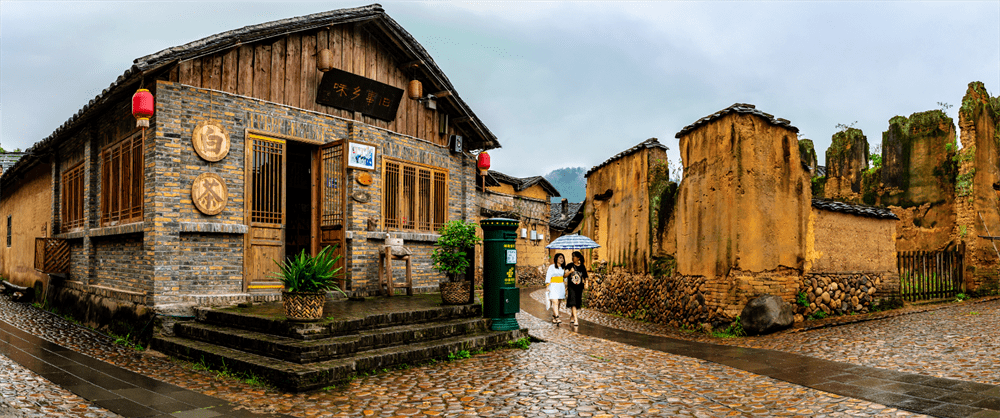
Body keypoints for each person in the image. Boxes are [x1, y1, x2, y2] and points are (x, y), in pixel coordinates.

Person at [564, 251, 588, 326]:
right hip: (571, 286)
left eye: (574, 256)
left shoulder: (582, 267)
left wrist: (586, 283)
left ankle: (572, 315)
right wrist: (570, 271)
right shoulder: (569, 265)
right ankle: (576, 319)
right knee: (573, 301)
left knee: (576, 302)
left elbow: (586, 276)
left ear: (578, 258)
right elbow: (564, 275)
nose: (572, 258)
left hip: (579, 287)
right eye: (572, 256)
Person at [545, 253, 567, 324]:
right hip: (553, 286)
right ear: (556, 258)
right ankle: (557, 317)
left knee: (559, 302)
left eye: (562, 258)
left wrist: (566, 287)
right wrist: (547, 286)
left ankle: (554, 316)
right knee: (554, 301)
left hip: (560, 286)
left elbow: (565, 278)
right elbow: (548, 276)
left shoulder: (563, 268)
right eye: (560, 258)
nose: (562, 259)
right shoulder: (551, 267)